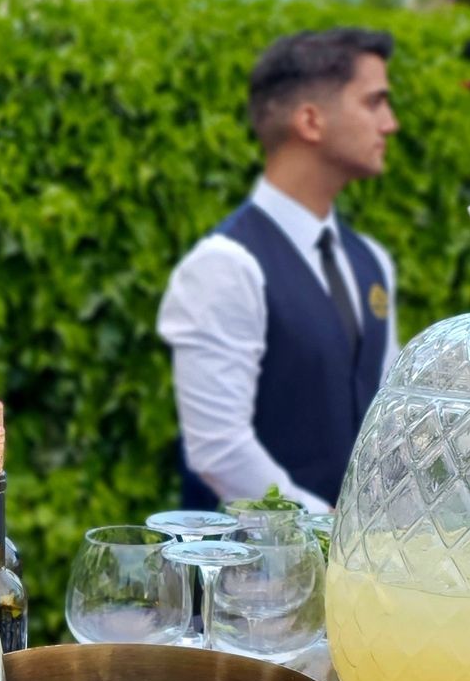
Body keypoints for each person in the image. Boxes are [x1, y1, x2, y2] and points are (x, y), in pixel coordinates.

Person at [156, 26, 400, 513]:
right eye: (374, 102)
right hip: (248, 561)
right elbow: (220, 451)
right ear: (310, 120)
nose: (389, 123)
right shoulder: (224, 267)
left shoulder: (372, 260)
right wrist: (330, 532)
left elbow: (390, 414)